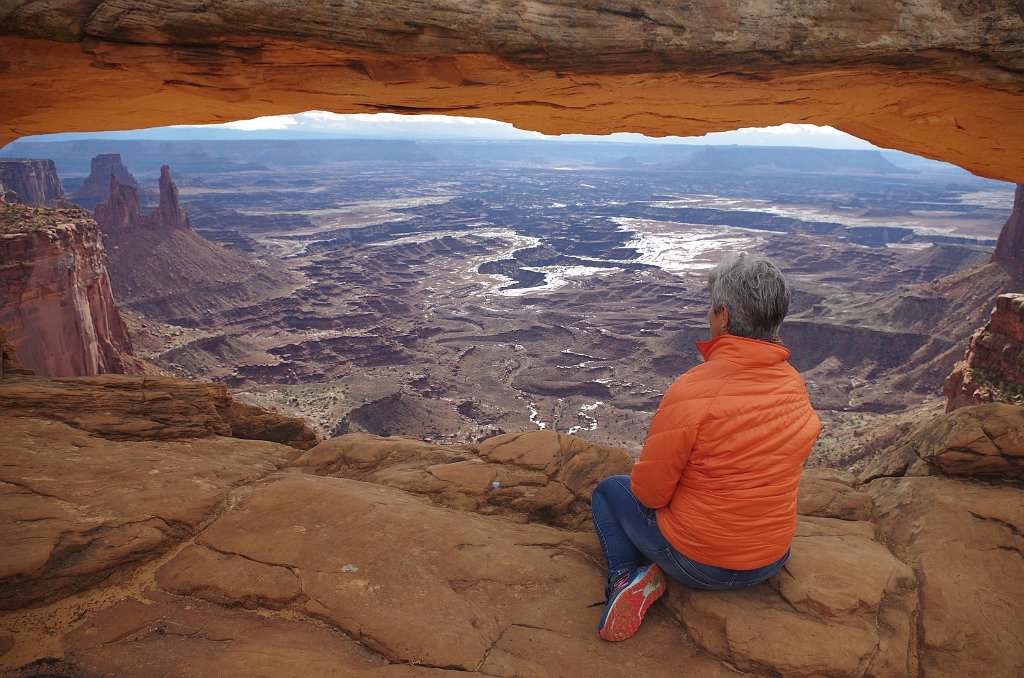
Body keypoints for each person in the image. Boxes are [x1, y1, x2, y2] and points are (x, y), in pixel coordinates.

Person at [591, 252, 820, 642]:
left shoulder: (697, 388)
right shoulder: (793, 384)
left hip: (700, 564)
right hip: (770, 560)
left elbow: (649, 493)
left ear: (724, 316)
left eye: (712, 308)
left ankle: (627, 576)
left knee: (609, 490)